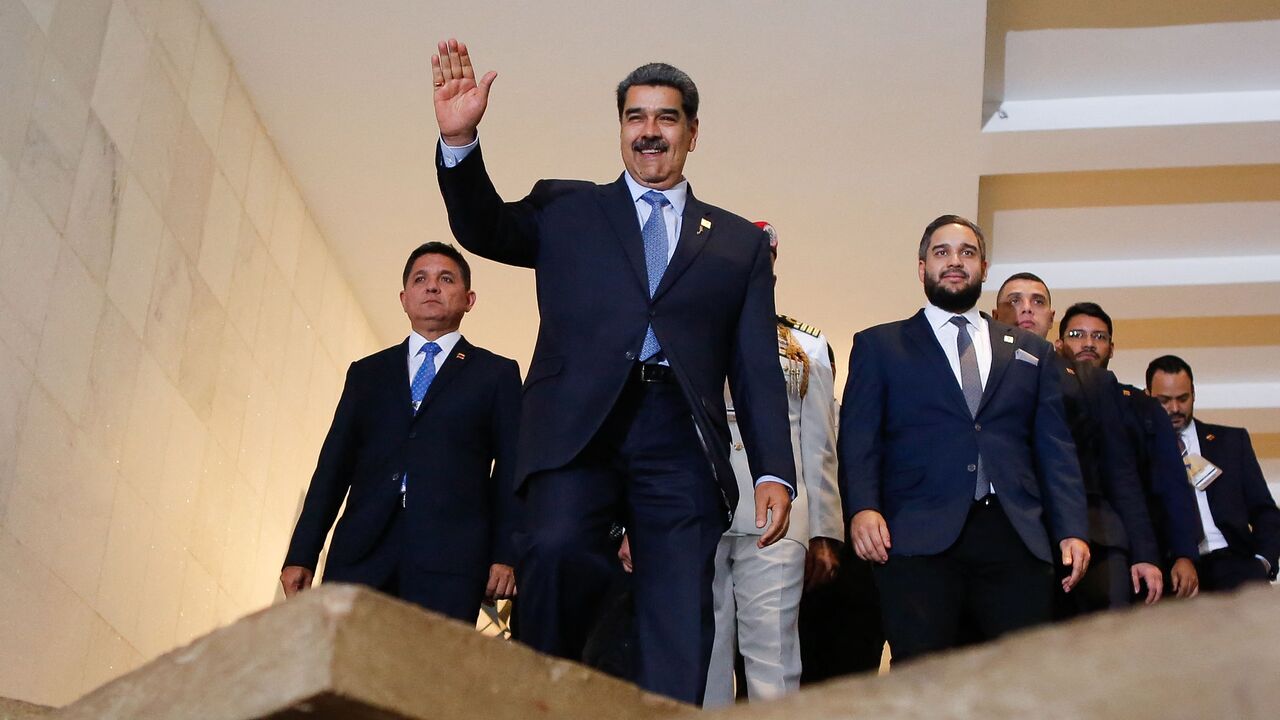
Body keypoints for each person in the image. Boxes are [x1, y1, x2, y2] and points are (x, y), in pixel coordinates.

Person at [430, 39, 796, 704]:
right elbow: (484, 227)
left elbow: (754, 368)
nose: (649, 131)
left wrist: (774, 468)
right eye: (635, 117)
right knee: (557, 548)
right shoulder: (568, 209)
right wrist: (460, 140)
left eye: (665, 118)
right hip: (577, 427)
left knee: (682, 601)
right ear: (621, 128)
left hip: (681, 437)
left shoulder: (739, 243)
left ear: (691, 132)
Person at [840, 215, 1088, 663]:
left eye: (967, 253)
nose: (955, 262)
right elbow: (860, 438)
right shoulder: (880, 345)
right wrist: (862, 508)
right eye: (942, 252)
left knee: (1019, 685)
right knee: (924, 686)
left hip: (1015, 537)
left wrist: (1071, 528)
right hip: (916, 536)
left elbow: (1055, 448)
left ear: (984, 268)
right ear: (922, 269)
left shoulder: (1032, 350)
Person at [281, 242, 521, 623]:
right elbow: (333, 467)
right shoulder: (367, 374)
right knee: (346, 673)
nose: (432, 287)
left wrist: (504, 555)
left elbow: (510, 471)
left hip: (449, 561)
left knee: (426, 675)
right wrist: (302, 553)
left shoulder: (496, 375)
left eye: (446, 279)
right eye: (420, 279)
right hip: (361, 553)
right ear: (404, 298)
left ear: (469, 299)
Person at [703, 222, 843, 707]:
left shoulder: (807, 345)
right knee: (705, 655)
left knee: (775, 657)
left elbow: (820, 442)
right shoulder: (691, 329)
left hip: (780, 515)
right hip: (701, 505)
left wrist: (824, 531)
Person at [992, 274, 1162, 610]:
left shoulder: (1094, 382)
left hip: (1093, 532)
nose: (1026, 308)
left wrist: (1145, 553)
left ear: (1051, 319)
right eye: (1014, 300)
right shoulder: (977, 374)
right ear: (995, 316)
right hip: (1008, 536)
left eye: (1038, 301)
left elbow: (1121, 470)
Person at [1056, 302, 1202, 597]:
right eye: (1076, 334)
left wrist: (1183, 554)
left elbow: (1172, 484)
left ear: (1112, 348)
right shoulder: (1038, 394)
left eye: (1099, 337)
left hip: (1129, 544)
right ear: (1058, 344)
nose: (1088, 343)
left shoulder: (1142, 406)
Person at [1146, 355, 1280, 591]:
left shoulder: (1231, 442)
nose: (1175, 408)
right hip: (1173, 567)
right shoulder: (1140, 449)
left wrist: (1263, 561)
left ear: (1194, 393)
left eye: (1183, 398)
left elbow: (1265, 511)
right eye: (1164, 400)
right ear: (1148, 396)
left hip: (1235, 561)